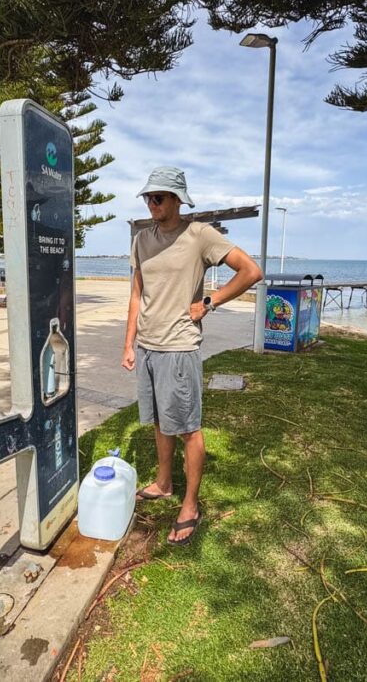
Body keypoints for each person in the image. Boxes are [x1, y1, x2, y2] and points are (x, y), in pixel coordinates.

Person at [122, 166, 262, 545]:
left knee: (187, 427)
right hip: (148, 347)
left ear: (178, 200)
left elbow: (251, 271)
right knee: (158, 422)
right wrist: (128, 342)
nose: (152, 203)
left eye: (160, 197)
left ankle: (190, 504)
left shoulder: (200, 235)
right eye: (148, 197)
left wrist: (208, 302)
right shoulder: (141, 240)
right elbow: (137, 294)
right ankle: (165, 483)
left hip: (179, 347)